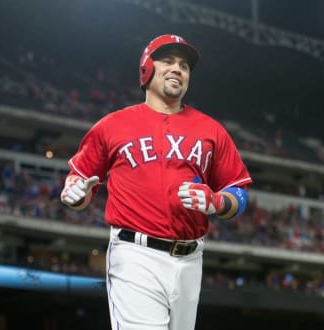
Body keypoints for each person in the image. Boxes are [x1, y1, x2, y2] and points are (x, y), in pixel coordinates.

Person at [60, 34, 252, 330]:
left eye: (184, 66)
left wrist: (216, 202)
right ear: (146, 69)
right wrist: (76, 192)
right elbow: (80, 179)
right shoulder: (113, 125)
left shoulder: (211, 130)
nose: (178, 69)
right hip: (136, 254)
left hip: (191, 258)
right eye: (168, 61)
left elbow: (239, 193)